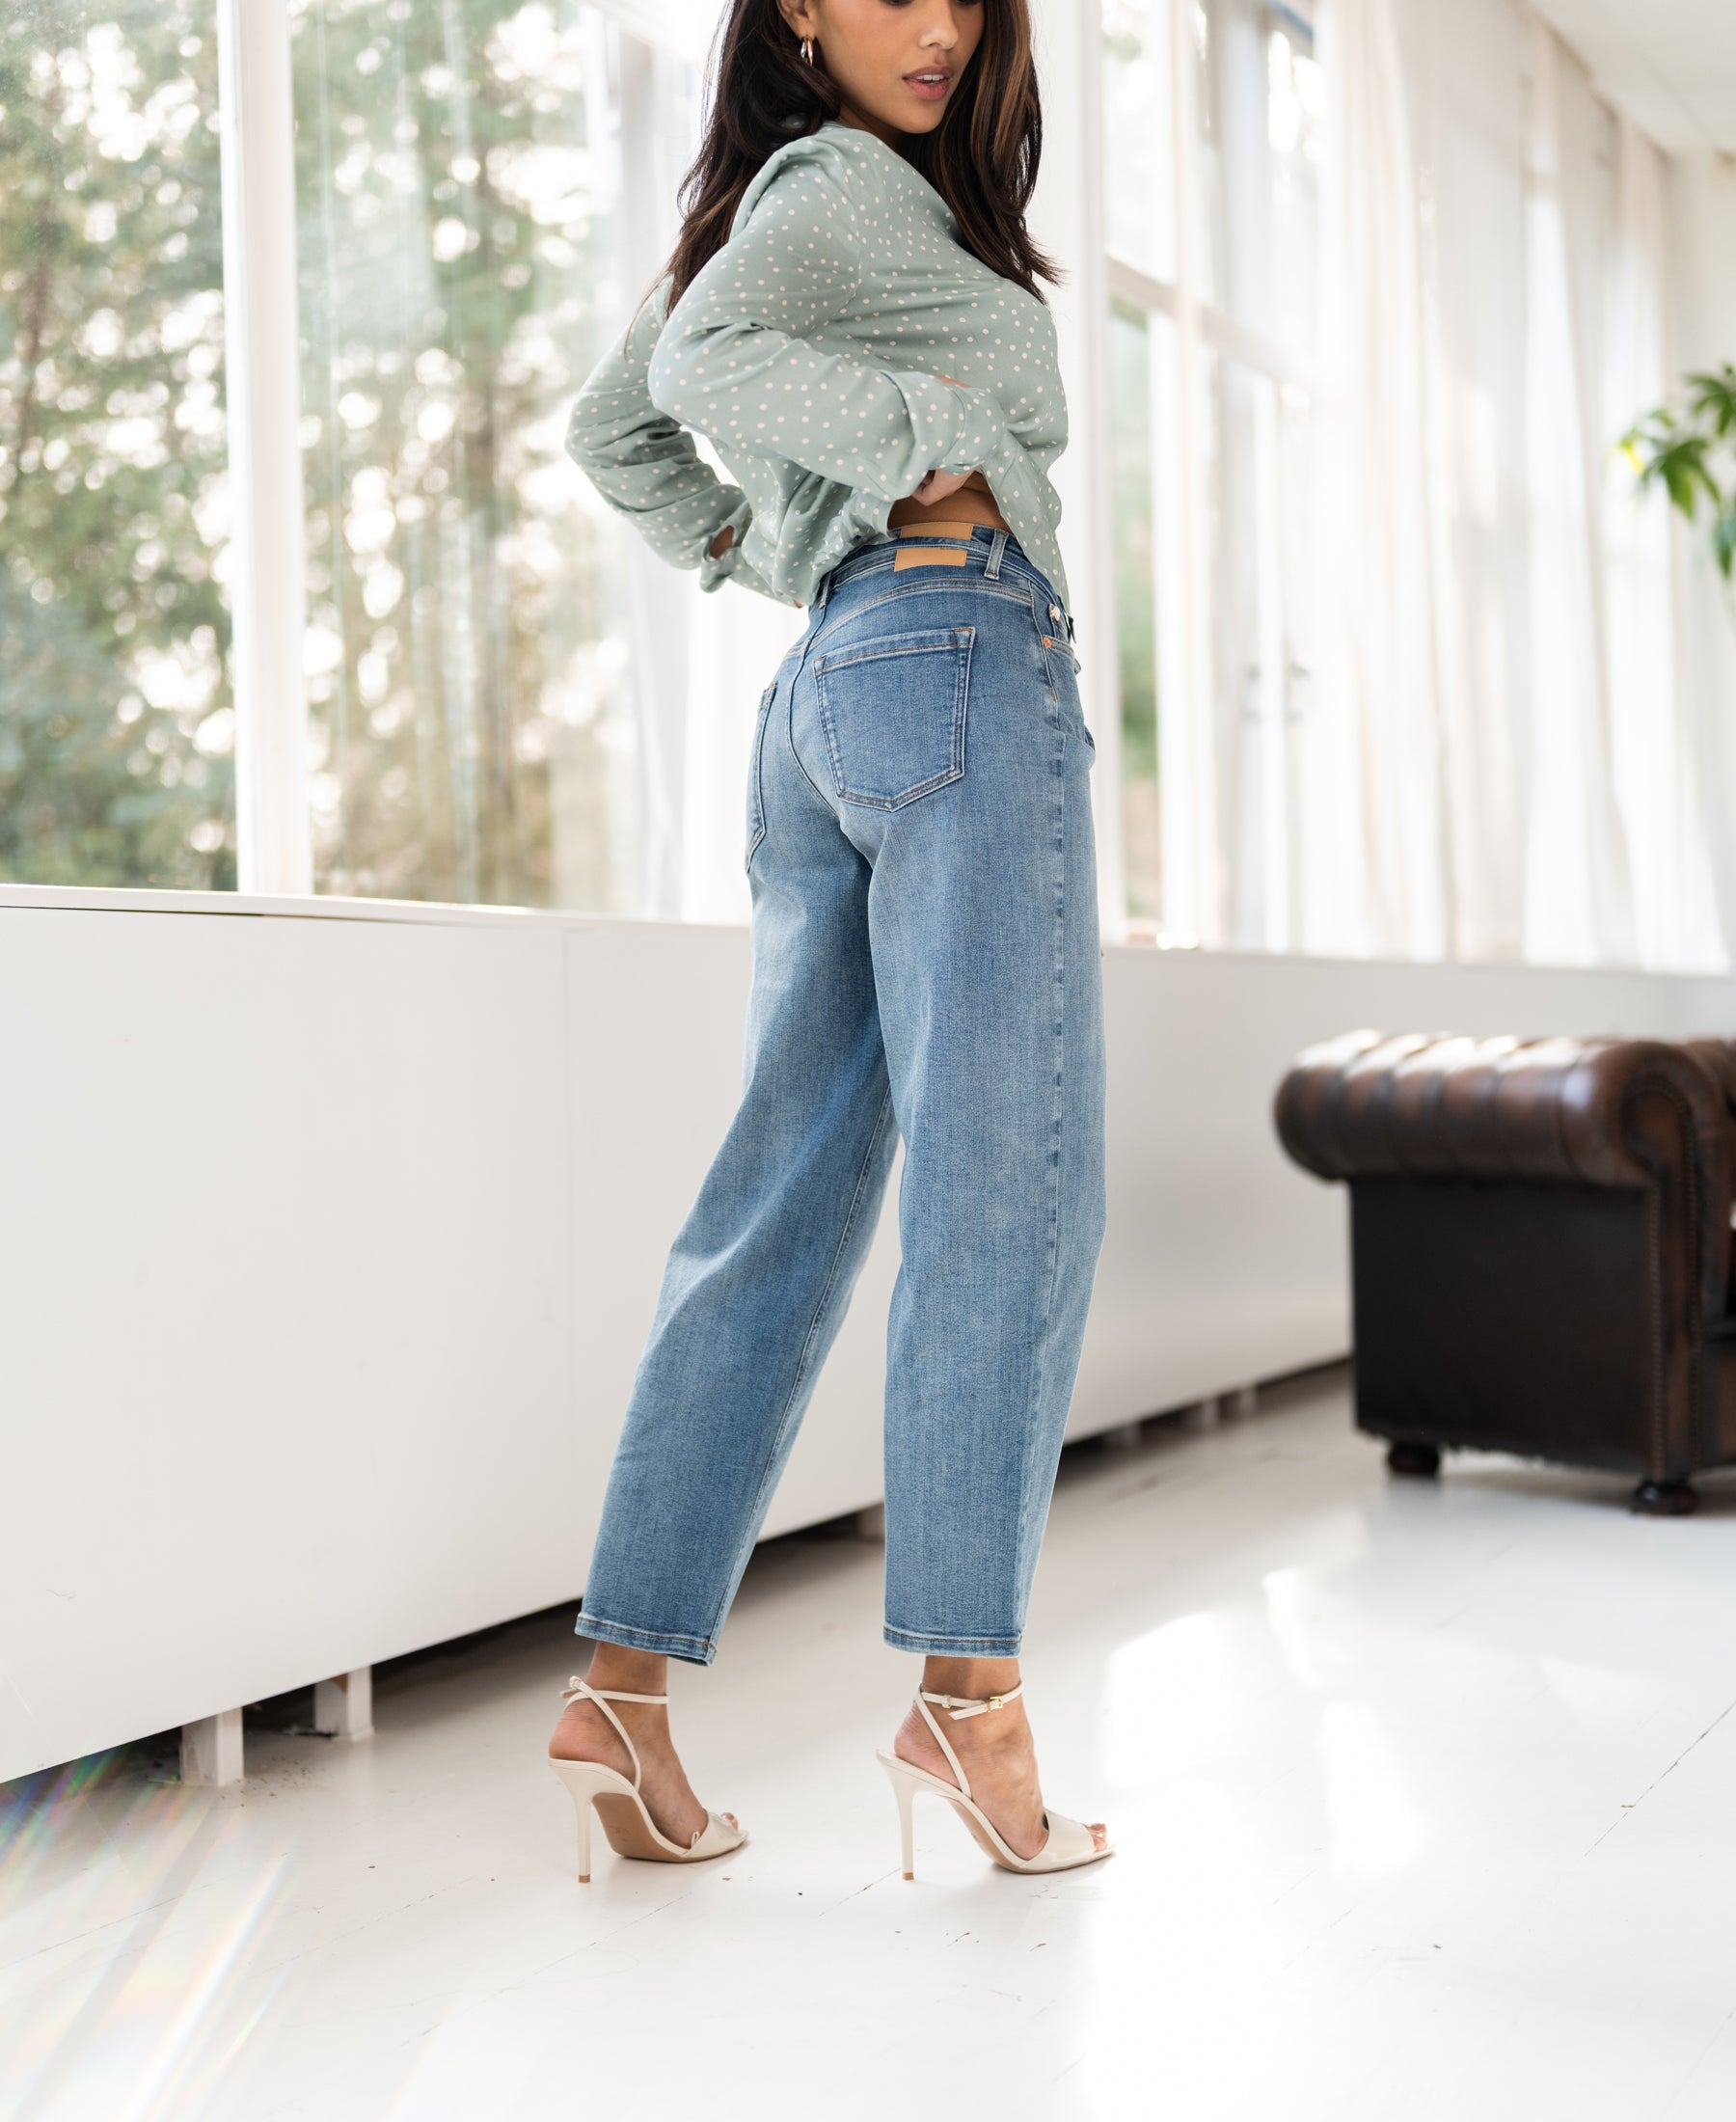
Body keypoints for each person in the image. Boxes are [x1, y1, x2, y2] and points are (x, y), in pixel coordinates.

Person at [548, 0, 1111, 1883]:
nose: (935, 26)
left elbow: (616, 419)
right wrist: (924, 440)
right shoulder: (840, 182)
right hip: (953, 649)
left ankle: (621, 1692)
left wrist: (772, 553)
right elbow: (694, 361)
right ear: (796, 7)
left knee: (780, 1200)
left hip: (836, 692)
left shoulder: (826, 202)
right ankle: (970, 1698)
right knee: (1007, 1187)